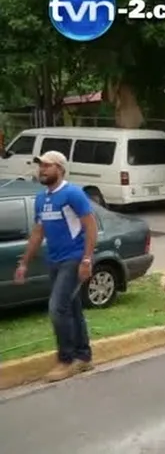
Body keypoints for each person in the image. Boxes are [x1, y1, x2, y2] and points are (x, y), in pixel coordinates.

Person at [14, 151, 98, 382]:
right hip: (55, 260)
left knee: (56, 308)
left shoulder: (73, 194)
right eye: (40, 166)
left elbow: (90, 227)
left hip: (74, 259)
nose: (42, 170)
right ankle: (84, 356)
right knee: (71, 308)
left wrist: (87, 259)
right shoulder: (41, 199)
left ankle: (66, 360)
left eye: (47, 166)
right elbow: (38, 233)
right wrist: (24, 263)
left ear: (60, 169)